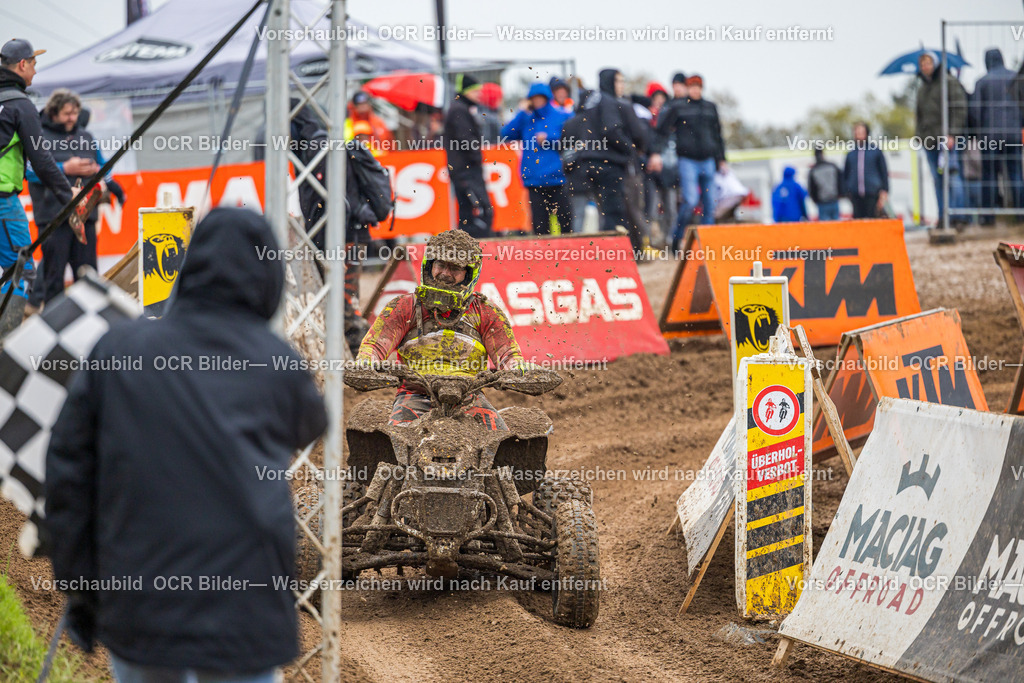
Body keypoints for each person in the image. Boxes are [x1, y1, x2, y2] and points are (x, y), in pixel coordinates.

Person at [45, 208, 328, 682]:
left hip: (141, 610)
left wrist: (81, 590)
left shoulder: (118, 349)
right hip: (247, 615)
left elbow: (68, 477)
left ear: (190, 265)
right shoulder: (276, 363)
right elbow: (310, 425)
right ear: (268, 277)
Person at [357, 228, 526, 431]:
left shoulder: (485, 311)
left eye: (455, 268)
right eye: (440, 264)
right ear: (429, 265)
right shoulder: (404, 306)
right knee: (395, 440)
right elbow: (375, 345)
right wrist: (368, 362)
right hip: (415, 395)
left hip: (469, 398)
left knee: (500, 442)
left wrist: (516, 369)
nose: (445, 274)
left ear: (468, 273)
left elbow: (507, 354)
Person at [27, 90, 124, 304]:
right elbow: (29, 171)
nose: (72, 118)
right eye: (66, 113)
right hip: (54, 216)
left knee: (88, 274)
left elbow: (104, 166)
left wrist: (114, 187)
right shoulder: (39, 136)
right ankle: (52, 321)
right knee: (54, 277)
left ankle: (90, 324)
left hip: (85, 217)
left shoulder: (86, 136)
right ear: (53, 112)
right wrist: (65, 168)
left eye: (75, 112)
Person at [0, 39, 73, 308]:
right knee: (21, 273)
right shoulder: (21, 105)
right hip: (2, 201)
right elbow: (41, 160)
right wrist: (68, 195)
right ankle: (6, 343)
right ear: (22, 65)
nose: (35, 70)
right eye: (33, 63)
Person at [573, 68, 651, 254]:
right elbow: (612, 130)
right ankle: (617, 254)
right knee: (615, 212)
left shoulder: (591, 101)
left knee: (601, 212)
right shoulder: (609, 101)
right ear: (610, 82)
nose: (622, 85)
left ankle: (609, 251)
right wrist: (630, 149)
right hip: (608, 163)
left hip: (587, 162)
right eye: (619, 81)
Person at [651, 74, 727, 253]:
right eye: (691, 86)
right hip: (687, 161)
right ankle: (676, 238)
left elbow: (717, 135)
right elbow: (661, 131)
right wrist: (656, 152)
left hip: (708, 160)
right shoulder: (678, 107)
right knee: (690, 201)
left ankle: (706, 245)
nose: (694, 89)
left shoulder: (710, 108)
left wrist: (721, 159)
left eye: (697, 86)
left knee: (710, 204)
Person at [502, 82, 572, 235]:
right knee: (540, 226)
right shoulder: (526, 119)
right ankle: (544, 257)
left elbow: (574, 139)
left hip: (558, 178)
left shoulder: (562, 115)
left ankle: (569, 254)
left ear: (547, 98)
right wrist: (521, 113)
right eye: (534, 99)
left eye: (541, 98)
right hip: (534, 180)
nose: (537, 101)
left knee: (565, 222)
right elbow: (505, 135)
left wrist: (550, 139)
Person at [969, 48, 1024, 223]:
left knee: (989, 177)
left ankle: (988, 216)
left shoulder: (982, 82)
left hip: (989, 137)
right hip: (1014, 135)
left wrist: (978, 133)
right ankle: (1021, 213)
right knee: (1015, 175)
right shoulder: (1016, 78)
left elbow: (975, 111)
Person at [916, 51, 968, 227]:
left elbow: (959, 108)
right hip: (929, 142)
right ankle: (943, 217)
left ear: (935, 64)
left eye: (928, 63)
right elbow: (919, 115)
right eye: (922, 64)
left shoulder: (949, 83)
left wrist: (952, 133)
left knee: (953, 177)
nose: (925, 67)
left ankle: (958, 216)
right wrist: (919, 136)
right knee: (937, 180)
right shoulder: (922, 88)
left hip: (947, 141)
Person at [444, 74, 493, 237]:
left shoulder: (460, 108)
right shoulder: (459, 109)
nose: (479, 95)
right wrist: (476, 158)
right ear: (466, 91)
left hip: (462, 170)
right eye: (475, 91)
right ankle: (480, 247)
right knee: (482, 210)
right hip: (466, 170)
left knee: (467, 212)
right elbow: (465, 139)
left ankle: (465, 250)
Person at [843, 122, 889, 219]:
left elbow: (883, 172)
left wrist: (884, 190)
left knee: (872, 221)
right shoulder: (851, 154)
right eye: (856, 132)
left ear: (866, 133)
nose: (858, 134)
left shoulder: (875, 151)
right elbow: (846, 174)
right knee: (858, 223)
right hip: (855, 195)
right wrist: (847, 190)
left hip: (872, 193)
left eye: (861, 132)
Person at [807, 149, 842, 220]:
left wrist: (815, 200)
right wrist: (840, 194)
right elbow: (840, 180)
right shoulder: (832, 166)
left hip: (822, 202)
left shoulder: (814, 170)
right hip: (834, 199)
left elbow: (811, 188)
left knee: (825, 227)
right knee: (837, 225)